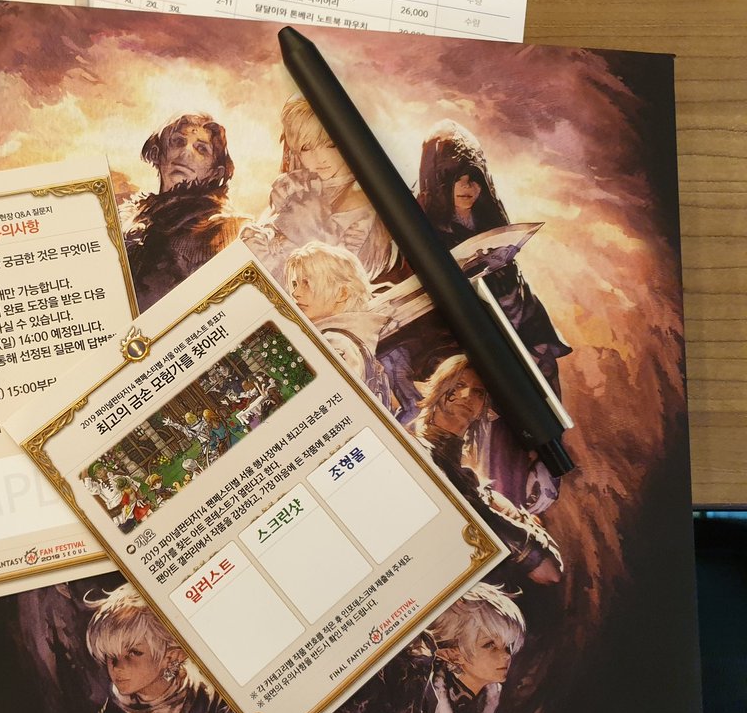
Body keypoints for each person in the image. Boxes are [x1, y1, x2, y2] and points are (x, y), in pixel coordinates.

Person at [400, 120, 571, 512]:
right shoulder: (423, 229)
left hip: (516, 341)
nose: (467, 186)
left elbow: (521, 299)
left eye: (473, 177)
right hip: (464, 357)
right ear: (438, 180)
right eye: (455, 177)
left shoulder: (489, 223)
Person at [322, 582, 527, 713]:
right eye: (490, 645)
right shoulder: (414, 694)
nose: (506, 656)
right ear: (451, 653)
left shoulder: (490, 700)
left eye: (508, 645)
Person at [410, 355, 563, 586]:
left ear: (483, 407)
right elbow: (468, 509)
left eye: (478, 392)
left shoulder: (465, 473)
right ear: (439, 389)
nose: (466, 396)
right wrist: (530, 552)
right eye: (458, 385)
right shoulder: (419, 450)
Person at [242, 95, 395, 285]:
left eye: (330, 144)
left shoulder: (364, 197)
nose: (319, 158)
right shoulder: (296, 185)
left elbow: (343, 276)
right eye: (306, 148)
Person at [83, 583, 231, 713]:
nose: (117, 668)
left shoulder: (208, 702)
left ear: (171, 655)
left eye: (134, 653)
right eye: (111, 657)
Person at [121, 113, 250, 309]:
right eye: (178, 141)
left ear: (216, 172)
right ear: (157, 153)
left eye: (201, 149)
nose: (185, 152)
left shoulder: (223, 227)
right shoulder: (130, 216)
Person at [283, 242, 400, 415]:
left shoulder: (335, 342)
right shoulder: (347, 337)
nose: (295, 293)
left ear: (342, 293)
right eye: (294, 284)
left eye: (307, 283)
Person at [80, 463, 135, 533]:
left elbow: (130, 484)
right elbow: (88, 486)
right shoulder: (99, 487)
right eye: (96, 473)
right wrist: (84, 469)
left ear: (104, 468)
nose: (99, 473)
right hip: (116, 515)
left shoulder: (115, 477)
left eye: (100, 469)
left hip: (127, 508)